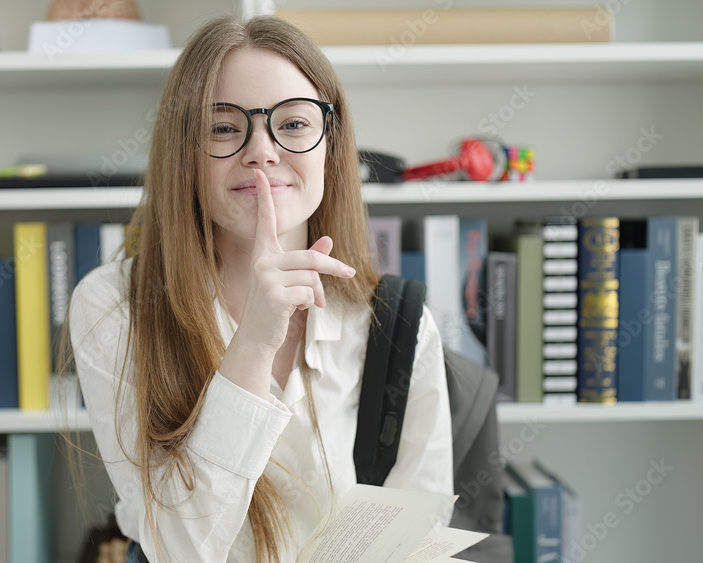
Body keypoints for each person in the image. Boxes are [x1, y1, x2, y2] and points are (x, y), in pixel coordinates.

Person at [62, 14, 453, 563]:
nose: (262, 151)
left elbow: (419, 540)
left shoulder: (400, 323)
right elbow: (179, 548)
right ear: (185, 154)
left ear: (329, 143)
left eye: (293, 124)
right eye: (224, 128)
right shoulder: (114, 306)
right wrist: (253, 345)